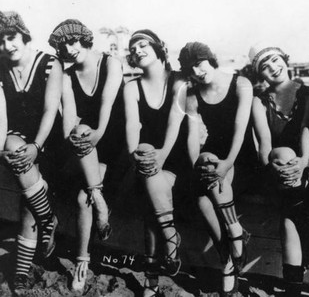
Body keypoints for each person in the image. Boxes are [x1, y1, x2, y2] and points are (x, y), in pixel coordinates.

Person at [47, 19, 125, 292]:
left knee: (83, 131)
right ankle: (82, 262)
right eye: (62, 46)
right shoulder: (67, 77)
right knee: (85, 199)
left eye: (72, 41)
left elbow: (106, 107)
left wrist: (96, 133)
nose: (69, 49)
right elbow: (69, 122)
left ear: (83, 38)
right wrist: (79, 135)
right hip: (84, 149)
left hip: (114, 145)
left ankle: (99, 199)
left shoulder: (111, 64)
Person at [179, 42, 252, 296]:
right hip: (213, 156)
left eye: (200, 63)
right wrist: (193, 171)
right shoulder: (192, 94)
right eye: (191, 68)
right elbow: (191, 136)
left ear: (210, 59)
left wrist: (227, 164)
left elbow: (241, 128)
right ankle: (229, 253)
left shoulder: (240, 83)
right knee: (202, 192)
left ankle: (233, 236)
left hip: (240, 155)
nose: (198, 71)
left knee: (210, 177)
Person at [249, 43, 309, 295]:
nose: (273, 68)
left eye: (275, 60)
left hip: (306, 163)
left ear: (284, 59)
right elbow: (264, 143)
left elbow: (306, 133)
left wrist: (301, 163)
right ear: (260, 74)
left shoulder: (308, 94)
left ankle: (292, 287)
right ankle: (308, 248)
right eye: (265, 66)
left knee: (288, 217)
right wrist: (272, 168)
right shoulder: (259, 102)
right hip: (275, 169)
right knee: (281, 154)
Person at [123, 29, 188, 297]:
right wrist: (135, 156)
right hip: (147, 159)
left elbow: (175, 120)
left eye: (142, 45)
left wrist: (160, 156)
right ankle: (171, 239)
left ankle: (151, 280)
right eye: (133, 48)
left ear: (159, 48)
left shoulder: (179, 81)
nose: (137, 50)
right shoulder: (131, 87)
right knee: (146, 157)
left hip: (177, 157)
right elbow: (132, 126)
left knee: (151, 207)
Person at [0, 11, 61, 293]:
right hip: (18, 140)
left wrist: (37, 147)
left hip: (49, 140)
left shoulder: (49, 63)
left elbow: (50, 110)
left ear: (23, 35)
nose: (6, 46)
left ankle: (21, 269)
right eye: (0, 41)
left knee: (29, 202)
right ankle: (48, 219)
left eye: (10, 37)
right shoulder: (0, 66)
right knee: (13, 147)